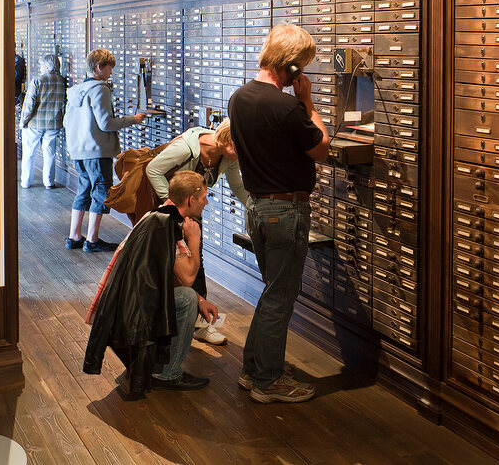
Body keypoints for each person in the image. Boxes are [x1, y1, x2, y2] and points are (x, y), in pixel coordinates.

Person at [228, 23, 329, 403]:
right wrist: (309, 103)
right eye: (302, 66)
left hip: (256, 208)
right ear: (291, 67)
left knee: (271, 292)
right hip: (285, 210)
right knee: (280, 295)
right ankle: (268, 382)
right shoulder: (286, 105)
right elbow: (321, 148)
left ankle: (253, 369)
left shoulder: (239, 98)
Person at [84, 171, 213, 399]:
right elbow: (187, 278)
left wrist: (202, 299)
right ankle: (168, 375)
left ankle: (155, 365)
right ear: (191, 200)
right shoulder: (170, 224)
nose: (207, 202)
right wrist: (195, 238)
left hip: (120, 309)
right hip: (130, 315)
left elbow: (165, 272)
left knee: (191, 297)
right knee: (186, 298)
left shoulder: (156, 215)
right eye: (204, 197)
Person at [144, 120, 248, 346]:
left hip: (190, 214)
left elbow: (237, 186)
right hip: (170, 212)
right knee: (165, 266)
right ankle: (161, 322)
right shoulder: (186, 148)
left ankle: (199, 324)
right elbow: (152, 169)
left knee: (195, 262)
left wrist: (254, 207)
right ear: (229, 141)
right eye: (242, 146)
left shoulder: (227, 157)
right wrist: (172, 203)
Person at [64, 49, 146, 252]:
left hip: (79, 151)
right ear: (99, 67)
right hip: (97, 151)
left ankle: (74, 236)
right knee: (101, 191)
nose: (111, 72)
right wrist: (133, 120)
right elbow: (106, 124)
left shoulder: (76, 90)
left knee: (83, 191)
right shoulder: (100, 89)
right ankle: (92, 240)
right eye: (110, 67)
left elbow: (67, 122)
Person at [20, 53, 67, 189]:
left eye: (41, 65)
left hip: (35, 123)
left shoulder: (37, 80)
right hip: (53, 123)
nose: (40, 67)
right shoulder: (62, 81)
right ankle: (49, 182)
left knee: (29, 152)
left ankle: (26, 182)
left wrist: (23, 121)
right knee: (50, 153)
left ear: (47, 66)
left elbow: (29, 104)